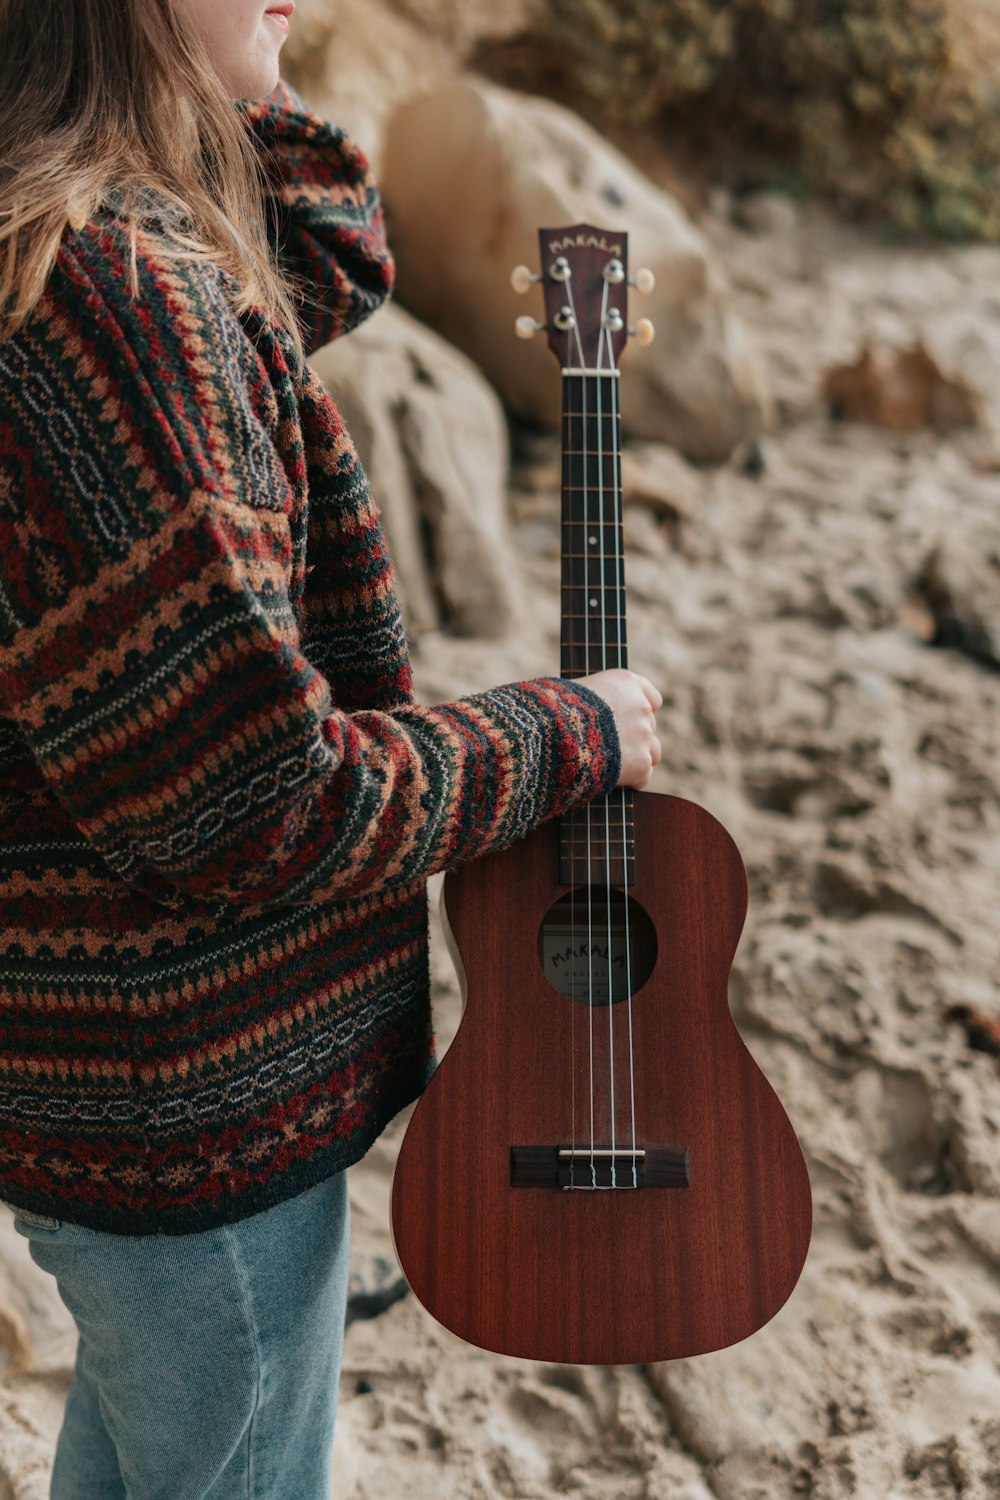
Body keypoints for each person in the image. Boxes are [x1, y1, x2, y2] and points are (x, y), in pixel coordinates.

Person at [0, 1, 663, 1496]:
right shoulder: (118, 301)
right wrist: (570, 734)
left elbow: (316, 260)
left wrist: (228, 82)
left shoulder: (105, 258)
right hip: (186, 1110)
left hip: (130, 1095)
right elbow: (257, 807)